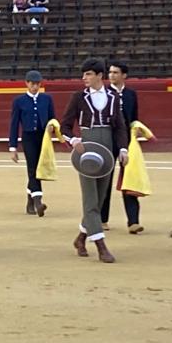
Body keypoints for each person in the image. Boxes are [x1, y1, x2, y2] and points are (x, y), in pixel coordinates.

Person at [59, 57, 129, 263]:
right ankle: (101, 246)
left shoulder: (114, 97)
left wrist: (123, 149)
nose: (84, 78)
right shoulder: (79, 97)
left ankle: (81, 239)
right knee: (90, 199)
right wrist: (73, 140)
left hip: (107, 147)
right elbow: (64, 126)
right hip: (87, 147)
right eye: (83, 74)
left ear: (99, 75)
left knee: (99, 199)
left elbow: (120, 126)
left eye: (88, 74)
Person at [9, 70, 55, 216]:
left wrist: (52, 127)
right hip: (28, 137)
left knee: (39, 168)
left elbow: (52, 119)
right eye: (32, 84)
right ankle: (38, 202)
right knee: (33, 168)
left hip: (43, 137)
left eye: (37, 84)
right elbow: (14, 124)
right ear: (27, 83)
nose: (35, 87)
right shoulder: (19, 101)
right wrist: (13, 147)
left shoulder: (47, 99)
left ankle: (30, 201)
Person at [106, 61, 142, 233]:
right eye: (110, 72)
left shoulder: (131, 94)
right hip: (107, 140)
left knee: (129, 180)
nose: (111, 75)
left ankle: (133, 221)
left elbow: (134, 117)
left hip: (126, 141)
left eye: (115, 72)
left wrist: (137, 128)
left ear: (124, 75)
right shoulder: (104, 93)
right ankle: (102, 219)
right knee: (105, 180)